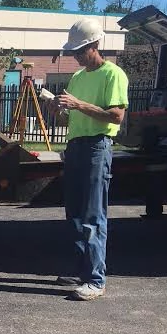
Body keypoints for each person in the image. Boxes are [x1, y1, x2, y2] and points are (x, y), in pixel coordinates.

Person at [48, 19, 128, 301]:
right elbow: (69, 117)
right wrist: (58, 109)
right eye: (74, 52)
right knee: (75, 213)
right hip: (76, 146)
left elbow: (116, 116)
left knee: (94, 213)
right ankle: (83, 271)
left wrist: (78, 104)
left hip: (97, 146)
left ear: (95, 45)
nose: (76, 56)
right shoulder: (78, 77)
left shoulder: (113, 74)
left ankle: (96, 279)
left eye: (80, 50)